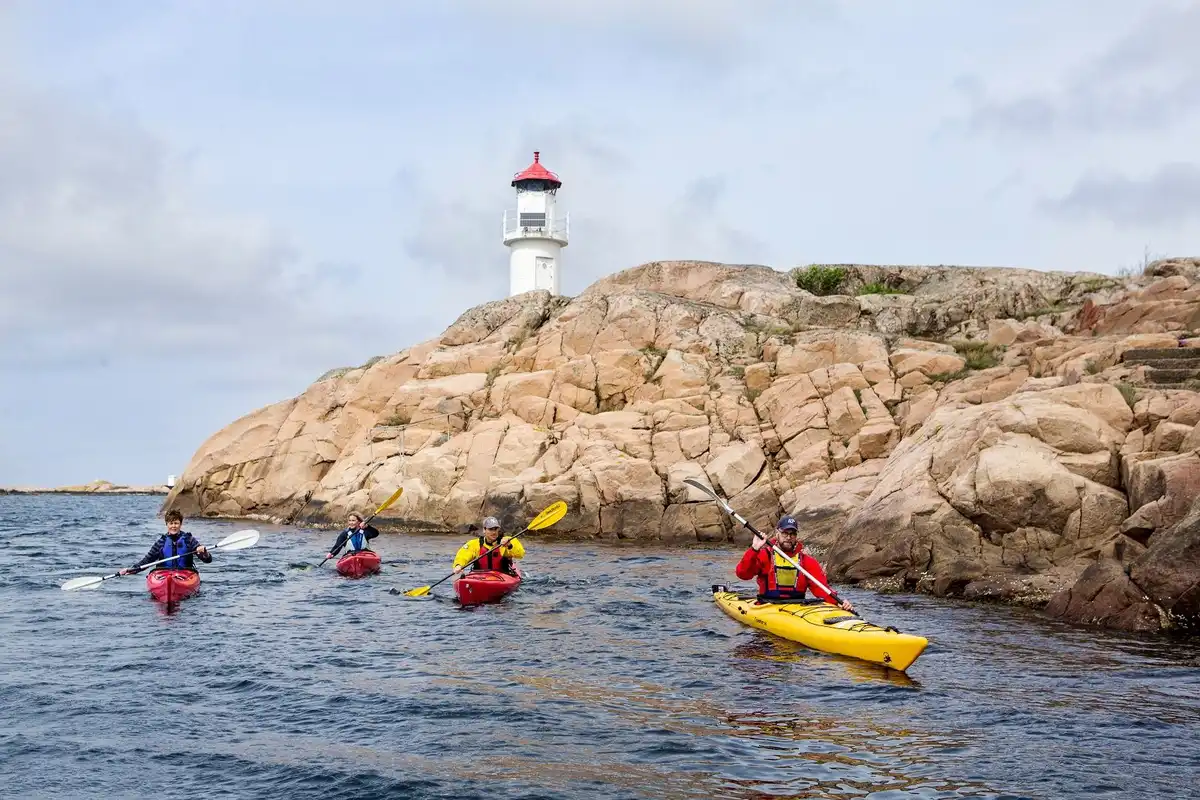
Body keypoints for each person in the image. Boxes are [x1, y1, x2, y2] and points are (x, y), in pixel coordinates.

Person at [735, 514, 855, 612]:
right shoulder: (765, 555)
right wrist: (754, 549)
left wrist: (838, 603)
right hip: (767, 606)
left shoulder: (807, 561)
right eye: (785, 533)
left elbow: (821, 588)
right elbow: (743, 574)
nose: (788, 537)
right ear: (777, 533)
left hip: (797, 608)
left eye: (792, 534)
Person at [119, 510, 210, 575]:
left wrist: (204, 553)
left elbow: (207, 560)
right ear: (166, 524)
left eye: (176, 523)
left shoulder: (188, 539)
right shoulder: (161, 542)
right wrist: (131, 570)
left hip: (185, 574)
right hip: (163, 575)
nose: (173, 526)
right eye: (171, 523)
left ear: (180, 524)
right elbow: (147, 561)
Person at [452, 516, 525, 575]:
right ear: (484, 530)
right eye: (490, 529)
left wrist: (509, 546)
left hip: (502, 576)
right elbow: (463, 555)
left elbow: (520, 554)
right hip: (480, 577)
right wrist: (458, 565)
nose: (494, 532)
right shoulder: (474, 544)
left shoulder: (507, 541)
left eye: (496, 529)